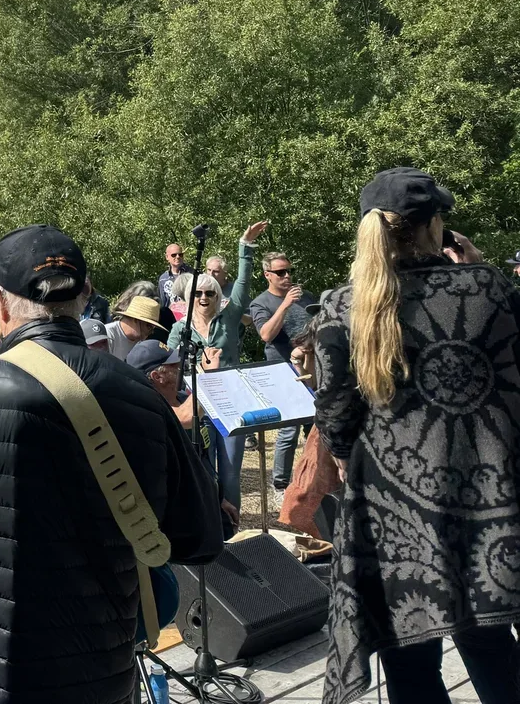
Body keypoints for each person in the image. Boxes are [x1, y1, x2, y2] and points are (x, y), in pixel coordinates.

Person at [0, 224, 222, 704]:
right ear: (85, 296)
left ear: (1, 304)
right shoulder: (142, 397)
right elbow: (199, 538)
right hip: (95, 679)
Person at [317, 168, 520, 704]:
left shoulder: (342, 305)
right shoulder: (492, 288)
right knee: (490, 642)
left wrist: (345, 457)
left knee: (407, 656)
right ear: (436, 227)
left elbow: (336, 411)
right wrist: (477, 272)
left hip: (389, 504)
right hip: (483, 496)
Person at [165, 221, 267, 510]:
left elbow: (244, 283)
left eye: (210, 293)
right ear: (190, 297)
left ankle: (231, 529)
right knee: (203, 469)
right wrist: (197, 370)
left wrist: (245, 245)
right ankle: (212, 525)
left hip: (232, 401)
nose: (204, 298)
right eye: (198, 293)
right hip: (196, 404)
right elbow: (172, 368)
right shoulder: (180, 329)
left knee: (231, 471)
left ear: (218, 296)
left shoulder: (230, 318)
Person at [248, 248, 312, 491]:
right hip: (283, 372)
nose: (287, 276)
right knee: (289, 430)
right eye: (281, 272)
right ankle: (281, 485)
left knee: (316, 428)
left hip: (310, 369)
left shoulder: (305, 297)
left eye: (289, 271)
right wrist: (285, 305)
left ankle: (311, 481)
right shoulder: (261, 303)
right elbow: (266, 335)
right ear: (267, 275)